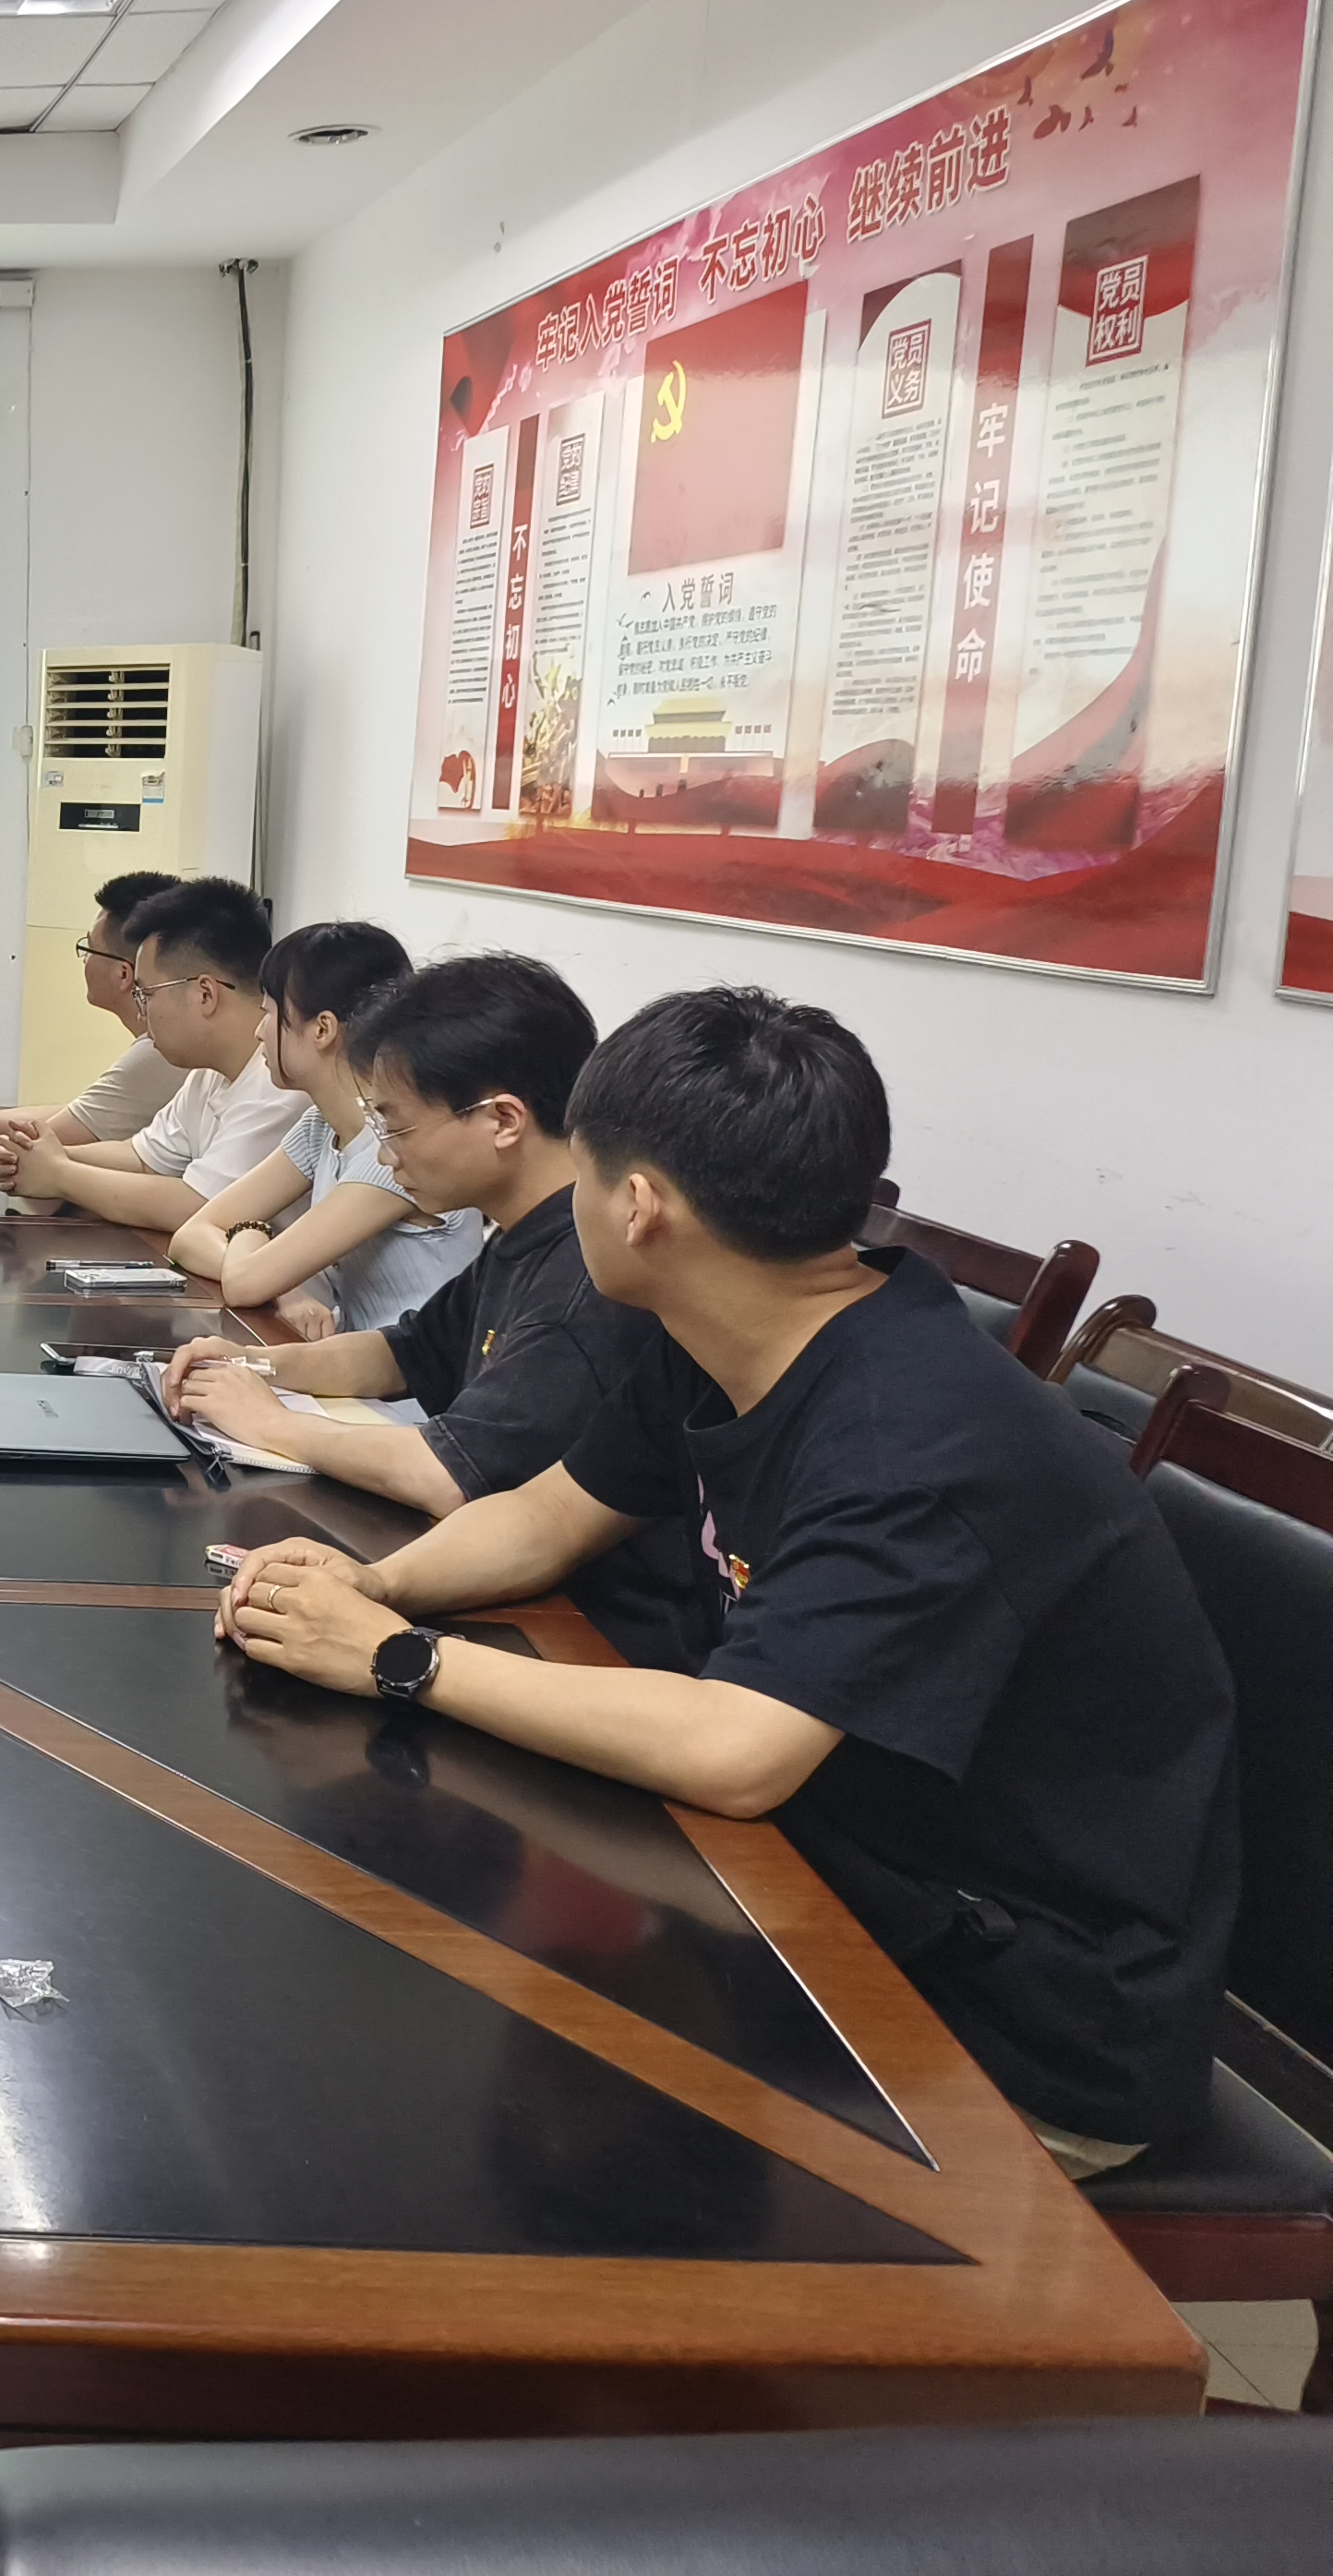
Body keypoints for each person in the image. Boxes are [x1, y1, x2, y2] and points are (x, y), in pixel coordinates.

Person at [216, 987, 1238, 2169]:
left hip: (1014, 2014)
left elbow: (736, 1753)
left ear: (637, 1206)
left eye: (581, 1174)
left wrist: (397, 1660)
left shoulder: (916, 1442)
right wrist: (367, 1593)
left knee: (390, 2087)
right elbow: (545, 1521)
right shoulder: (717, 1328)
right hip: (829, 1880)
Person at [164, 954, 710, 1671]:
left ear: (503, 1120)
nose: (385, 1157)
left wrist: (271, 1423)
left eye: (395, 1126)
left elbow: (449, 1474)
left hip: (584, 1635)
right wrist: (252, 1364)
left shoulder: (593, 1282)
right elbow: (406, 1351)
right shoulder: (525, 1231)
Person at [168, 921, 478, 1337]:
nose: (260, 1032)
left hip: (411, 1395)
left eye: (270, 1013)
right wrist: (287, 1289)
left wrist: (251, 1234)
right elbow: (190, 1237)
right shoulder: (320, 1126)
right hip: (354, 1370)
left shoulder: (395, 1146)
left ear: (322, 1029)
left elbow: (246, 1281)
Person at [0, 878, 308, 1225]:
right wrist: (51, 1156)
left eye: (147, 994)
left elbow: (199, 1206)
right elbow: (143, 1156)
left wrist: (59, 1174)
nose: (142, 1012)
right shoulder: (209, 1072)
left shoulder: (280, 1086)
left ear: (205, 994)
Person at [0, 868, 183, 1149]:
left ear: (124, 975)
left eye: (89, 949)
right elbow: (81, 1114)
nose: (84, 961)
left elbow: (45, 1136)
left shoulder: (160, 1054)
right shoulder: (163, 1047)